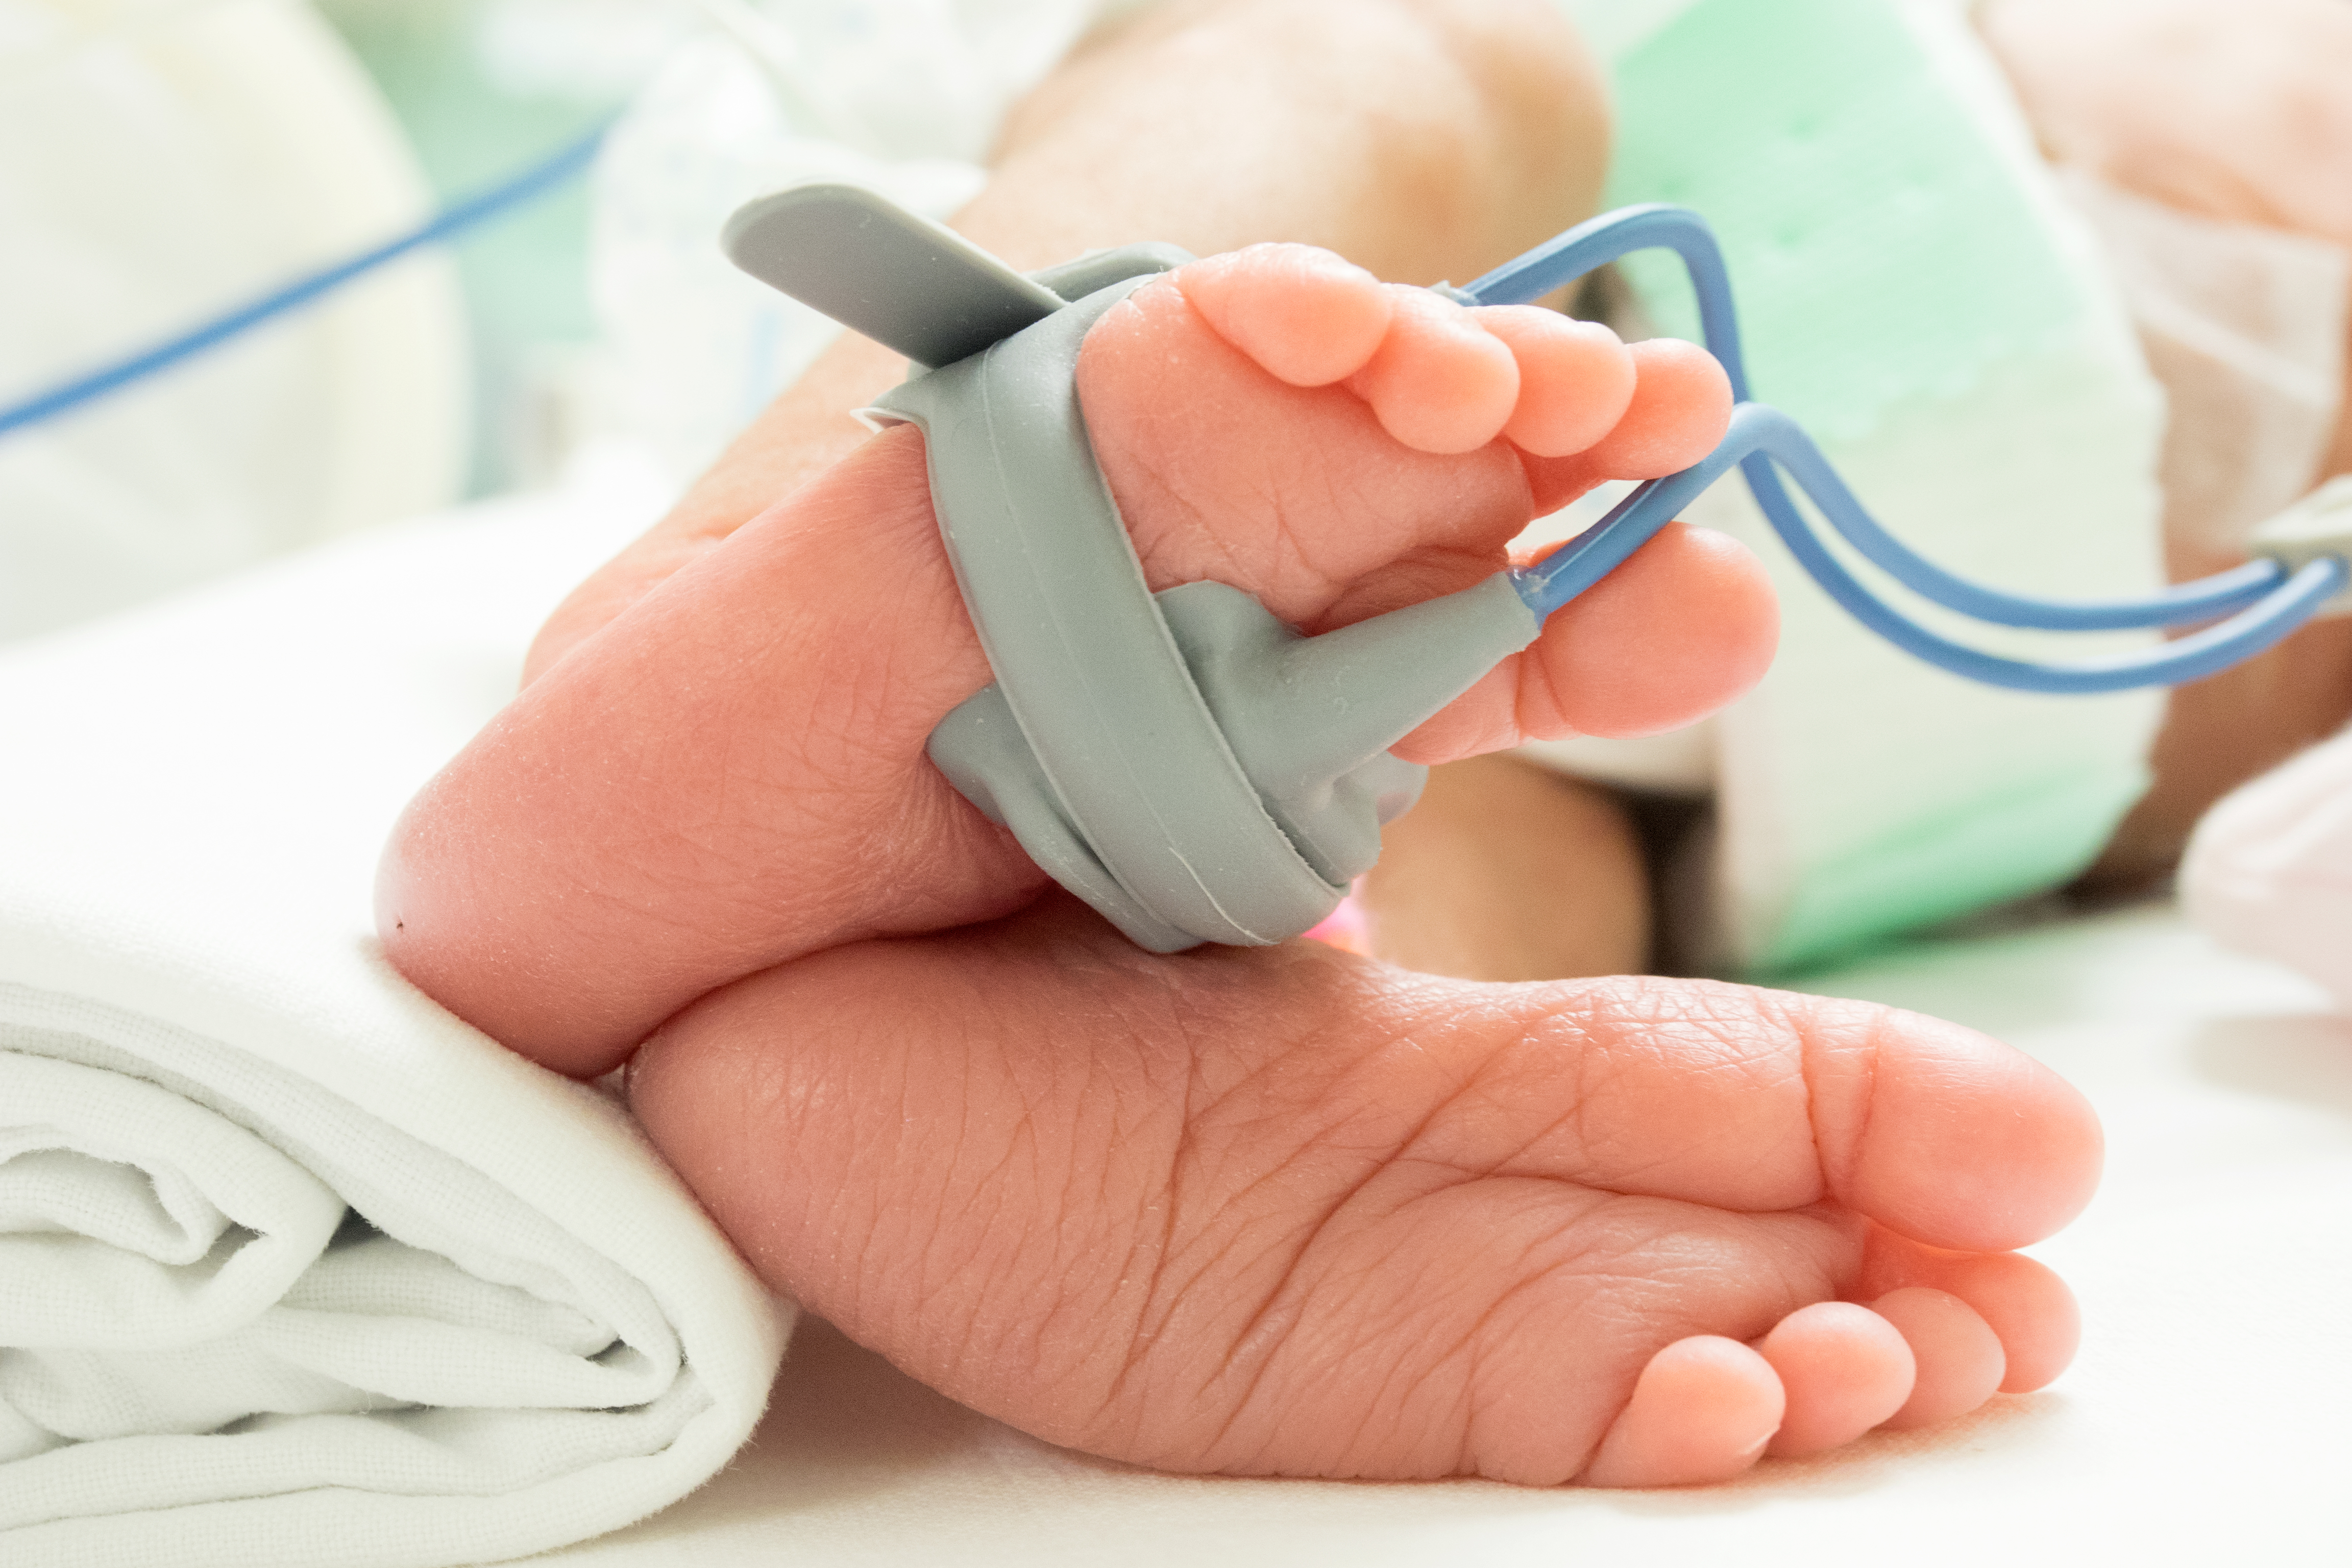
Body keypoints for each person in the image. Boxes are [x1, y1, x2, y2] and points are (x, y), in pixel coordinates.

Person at [386, 0, 2352, 1485]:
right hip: (1663, 394)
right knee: (1408, 72)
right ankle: (850, 574)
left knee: (1399, 83)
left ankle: (1211, 1005)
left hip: (1815, 690)